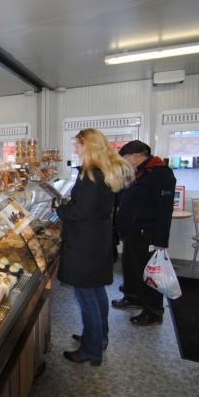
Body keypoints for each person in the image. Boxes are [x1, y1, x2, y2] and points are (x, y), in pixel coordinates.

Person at [55, 129, 134, 366]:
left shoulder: (91, 175)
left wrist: (59, 207)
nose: (75, 149)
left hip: (84, 246)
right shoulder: (104, 172)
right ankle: (98, 337)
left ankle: (91, 350)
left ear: (88, 146)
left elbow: (80, 211)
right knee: (97, 293)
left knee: (86, 297)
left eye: (77, 145)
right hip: (97, 242)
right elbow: (90, 207)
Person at [112, 140, 176, 326]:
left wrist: (161, 240)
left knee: (148, 273)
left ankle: (153, 311)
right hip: (131, 231)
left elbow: (165, 210)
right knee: (131, 267)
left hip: (146, 233)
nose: (123, 161)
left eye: (124, 158)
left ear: (136, 155)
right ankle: (132, 297)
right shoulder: (138, 172)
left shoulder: (160, 173)